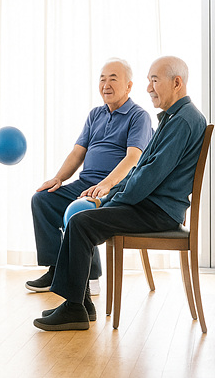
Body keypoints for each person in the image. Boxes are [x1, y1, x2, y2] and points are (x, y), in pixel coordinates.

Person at [34, 56, 207, 331]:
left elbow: (148, 175)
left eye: (154, 80)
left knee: (82, 221)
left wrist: (107, 200)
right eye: (149, 80)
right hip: (150, 206)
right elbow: (143, 171)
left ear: (177, 83)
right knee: (83, 216)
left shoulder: (183, 121)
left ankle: (75, 308)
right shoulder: (175, 118)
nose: (149, 88)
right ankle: (80, 303)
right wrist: (108, 199)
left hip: (157, 212)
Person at [27, 59, 152, 297]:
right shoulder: (95, 114)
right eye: (102, 78)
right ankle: (55, 268)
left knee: (80, 209)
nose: (106, 84)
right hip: (85, 184)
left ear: (129, 86)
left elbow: (133, 158)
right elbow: (77, 152)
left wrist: (106, 184)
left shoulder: (139, 117)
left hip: (114, 188)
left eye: (113, 78)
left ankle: (90, 276)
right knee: (42, 200)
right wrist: (58, 179)